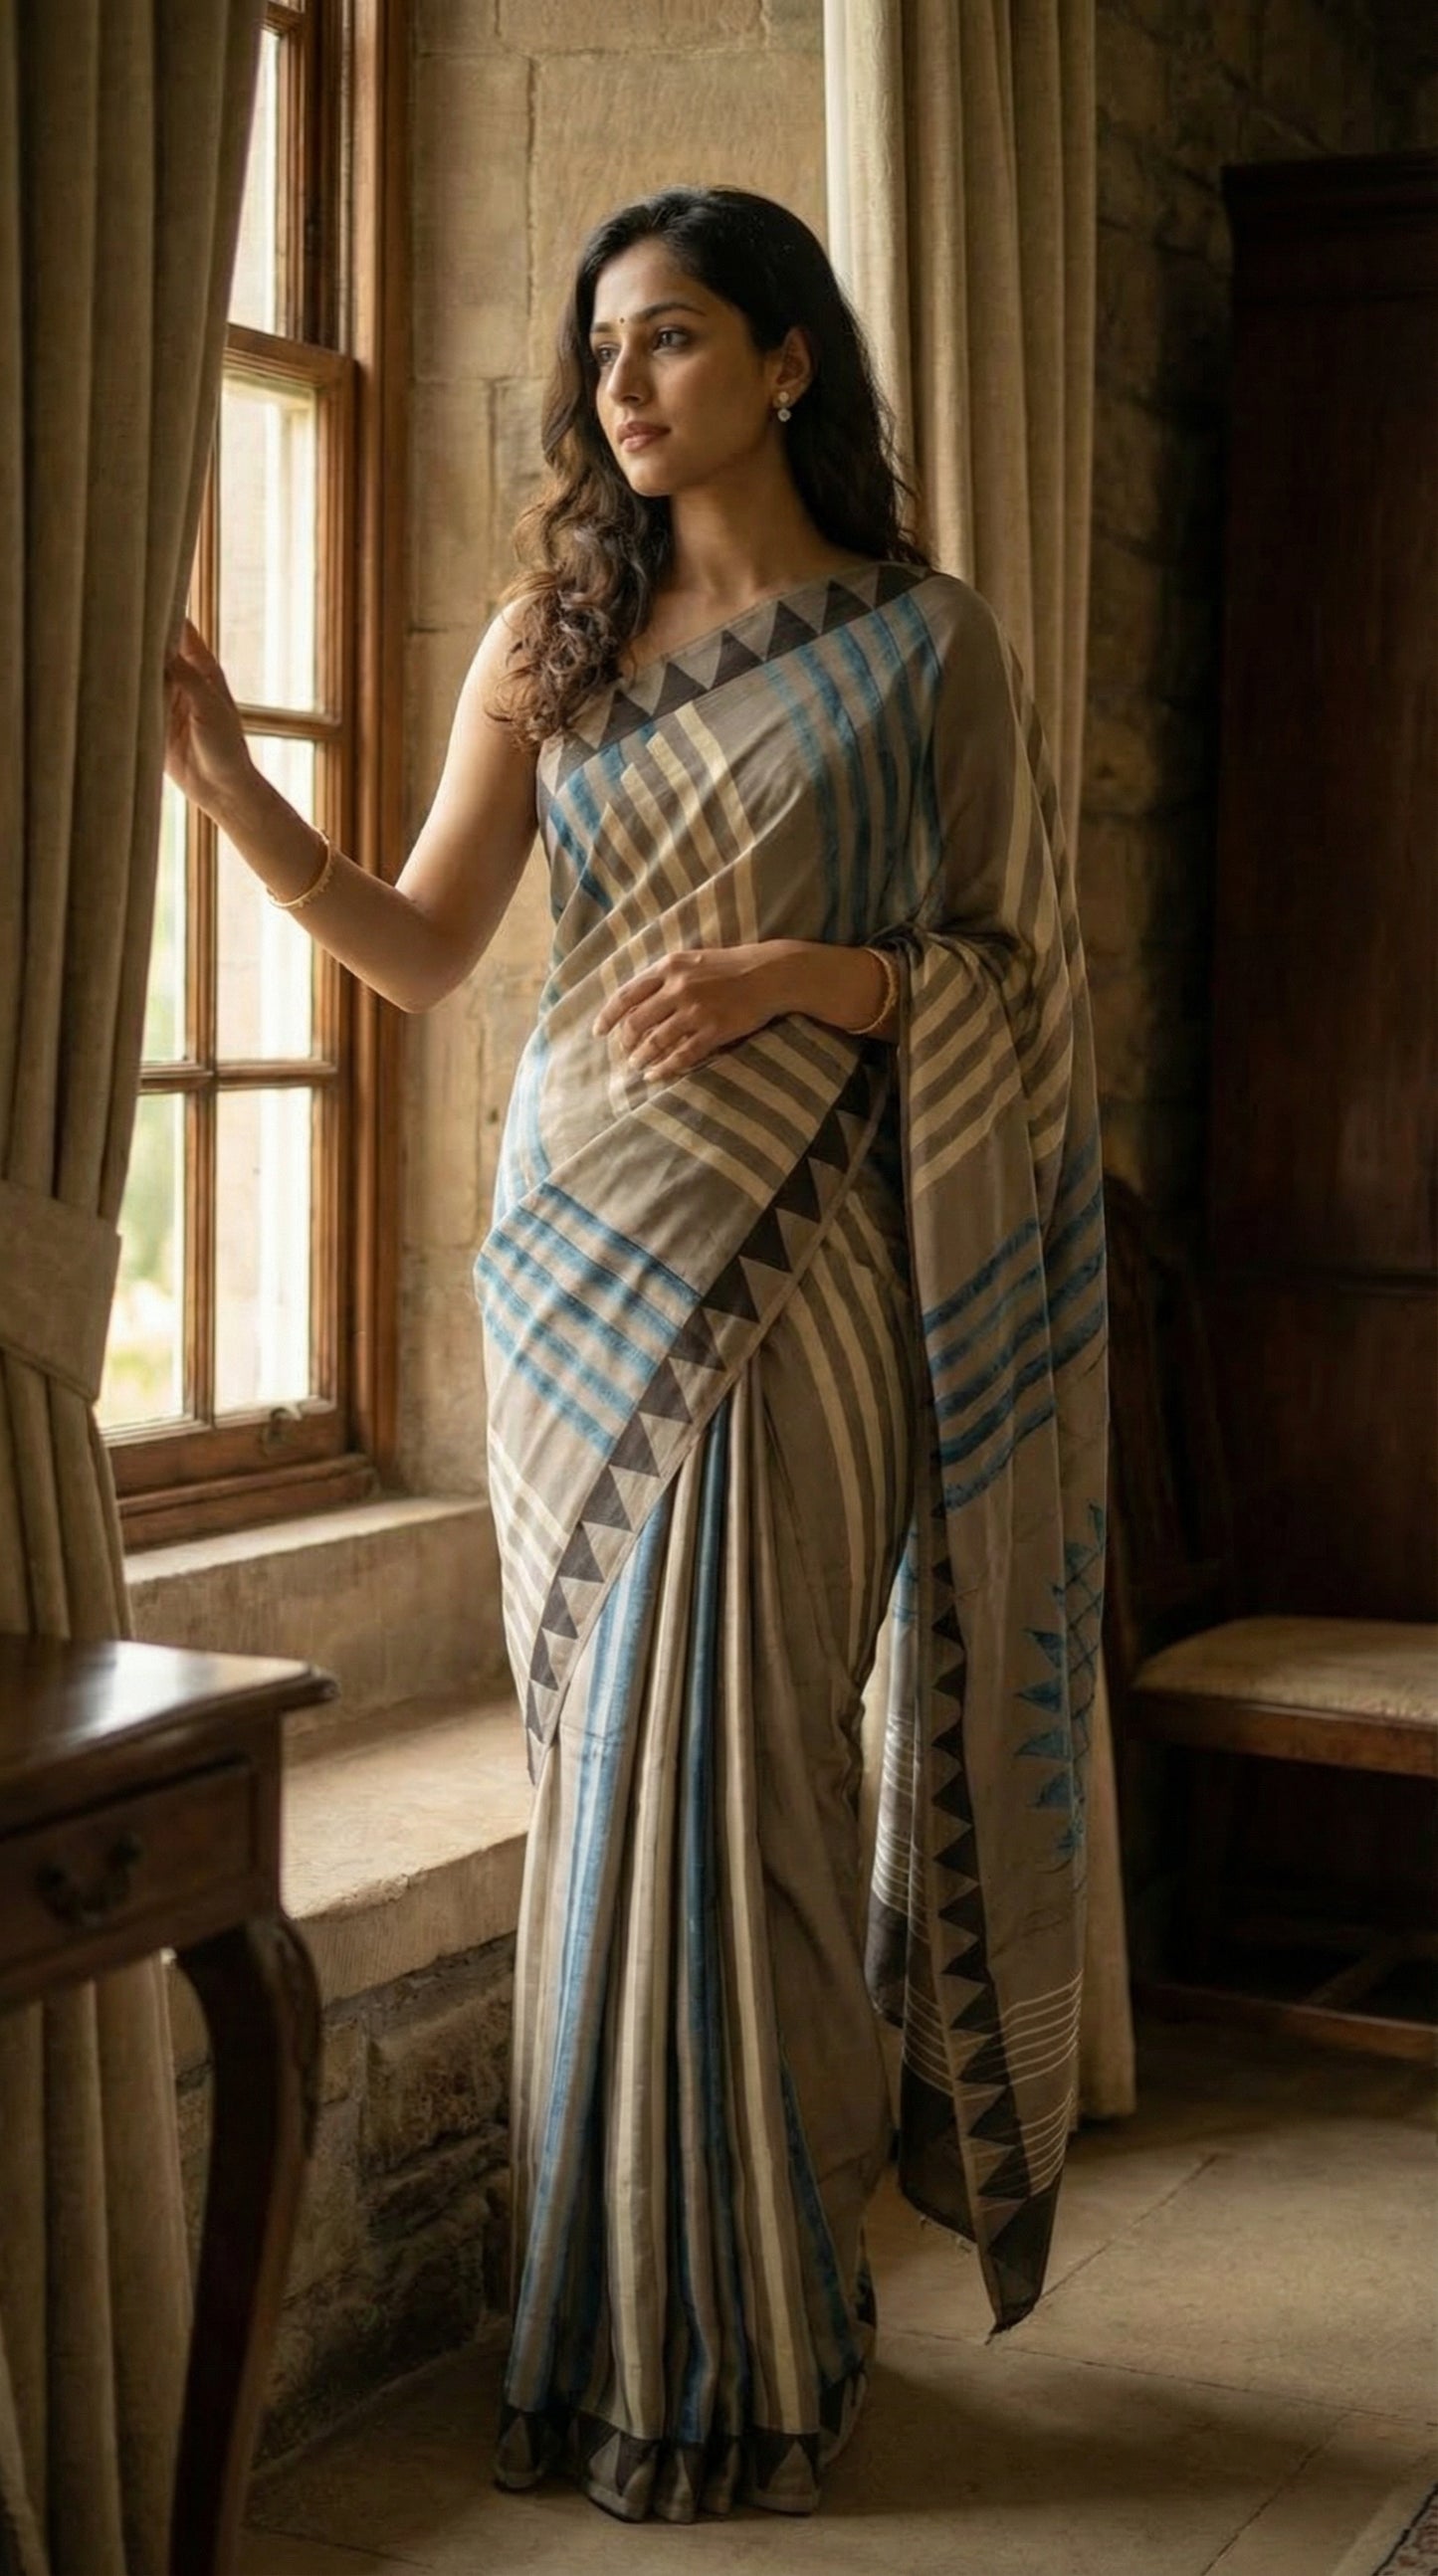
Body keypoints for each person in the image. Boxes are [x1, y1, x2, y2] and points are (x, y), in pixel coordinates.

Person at [164, 183, 1108, 2528]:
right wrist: (231, 791)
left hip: (809, 1288)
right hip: (578, 1271)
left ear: (789, 362)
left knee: (762, 1778)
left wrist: (810, 977)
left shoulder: (925, 649)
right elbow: (421, 941)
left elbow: (1019, 979)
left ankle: (763, 2322)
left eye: (669, 340)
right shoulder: (545, 646)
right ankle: (616, 2346)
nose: (621, 385)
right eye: (602, 349)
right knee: (610, 1800)